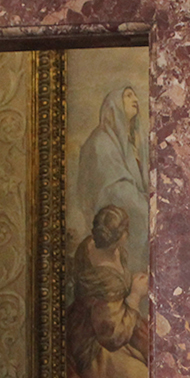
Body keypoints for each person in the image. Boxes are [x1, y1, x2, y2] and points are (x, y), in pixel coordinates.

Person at [65, 204, 151, 378]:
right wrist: (135, 295)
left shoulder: (94, 246)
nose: (127, 235)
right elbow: (112, 337)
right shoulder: (103, 280)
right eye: (125, 231)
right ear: (119, 236)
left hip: (114, 323)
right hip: (96, 347)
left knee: (161, 361)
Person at [75, 85, 151, 278]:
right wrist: (147, 205)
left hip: (131, 208)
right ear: (114, 105)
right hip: (111, 221)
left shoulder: (131, 145)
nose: (135, 99)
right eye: (128, 95)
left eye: (135, 94)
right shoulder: (101, 142)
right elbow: (116, 192)